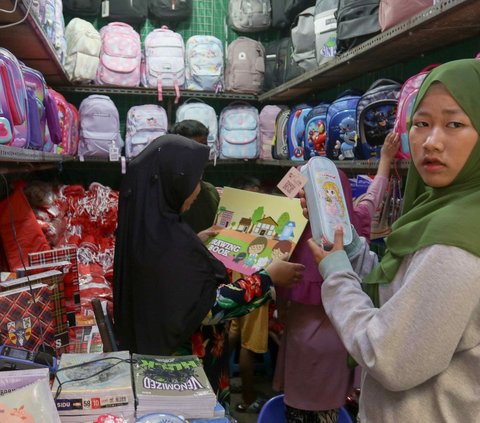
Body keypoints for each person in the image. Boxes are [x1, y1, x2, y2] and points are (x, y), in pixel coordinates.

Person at [306, 59, 480, 422]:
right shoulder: (436, 209)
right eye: (421, 123)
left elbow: (391, 357)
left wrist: (338, 277)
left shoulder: (456, 240)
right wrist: (354, 252)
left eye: (455, 124)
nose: (431, 141)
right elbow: (406, 295)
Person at [112, 134, 305, 411]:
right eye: (194, 180)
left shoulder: (148, 231)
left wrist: (197, 241)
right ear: (171, 181)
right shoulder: (172, 245)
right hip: (187, 372)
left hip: (153, 361)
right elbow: (205, 307)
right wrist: (267, 279)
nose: (199, 189)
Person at [273, 135, 400, 423]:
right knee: (331, 410)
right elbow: (370, 201)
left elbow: (277, 291)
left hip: (300, 337)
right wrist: (385, 162)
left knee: (299, 410)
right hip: (344, 338)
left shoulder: (288, 238)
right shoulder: (349, 236)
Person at [227, 175, 274, 414]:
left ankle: (222, 381)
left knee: (234, 333)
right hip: (255, 284)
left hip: (238, 279)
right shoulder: (260, 221)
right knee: (249, 345)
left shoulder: (237, 218)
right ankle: (247, 398)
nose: (259, 194)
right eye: (254, 191)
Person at [170, 119, 220, 234]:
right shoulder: (164, 193)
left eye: (204, 146)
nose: (201, 154)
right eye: (193, 147)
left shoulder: (210, 191)